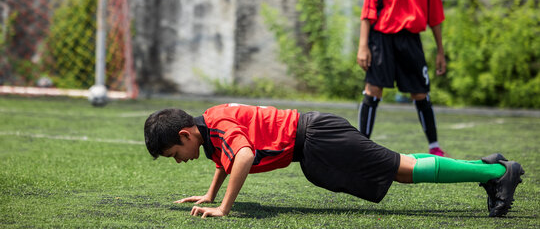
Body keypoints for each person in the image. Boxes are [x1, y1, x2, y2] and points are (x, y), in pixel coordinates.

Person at [143, 103, 524, 218]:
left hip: (320, 138)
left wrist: (224, 209)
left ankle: (497, 171)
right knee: (402, 168)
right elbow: (223, 159)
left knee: (402, 169)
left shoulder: (218, 124)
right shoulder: (208, 126)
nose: (178, 161)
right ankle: (487, 167)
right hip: (315, 145)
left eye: (174, 155)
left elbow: (241, 156)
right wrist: (209, 195)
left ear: (185, 135)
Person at [357, 0, 447, 156]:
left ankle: (434, 146)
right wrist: (363, 46)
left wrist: (440, 51)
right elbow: (368, 11)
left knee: (420, 93)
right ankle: (360, 147)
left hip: (411, 42)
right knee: (373, 90)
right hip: (381, 39)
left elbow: (435, 16)